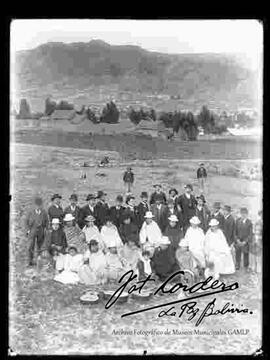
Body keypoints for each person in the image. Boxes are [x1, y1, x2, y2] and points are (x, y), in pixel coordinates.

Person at [25, 196, 49, 266]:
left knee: (40, 246)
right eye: (37, 205)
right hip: (32, 231)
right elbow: (26, 222)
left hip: (41, 231)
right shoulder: (30, 212)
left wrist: (46, 229)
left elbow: (47, 222)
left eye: (40, 205)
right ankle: (30, 261)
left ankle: (39, 260)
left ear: (41, 205)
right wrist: (28, 230)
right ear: (35, 205)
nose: (38, 206)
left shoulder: (44, 212)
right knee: (30, 246)